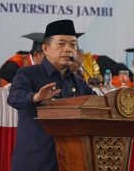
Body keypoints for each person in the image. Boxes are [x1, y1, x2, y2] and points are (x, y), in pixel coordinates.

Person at [7, 19, 96, 171]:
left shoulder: (79, 82)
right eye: (61, 44)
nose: (68, 49)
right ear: (46, 48)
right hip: (36, 160)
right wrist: (36, 98)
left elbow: (96, 104)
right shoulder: (28, 73)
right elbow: (14, 98)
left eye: (73, 45)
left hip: (72, 160)